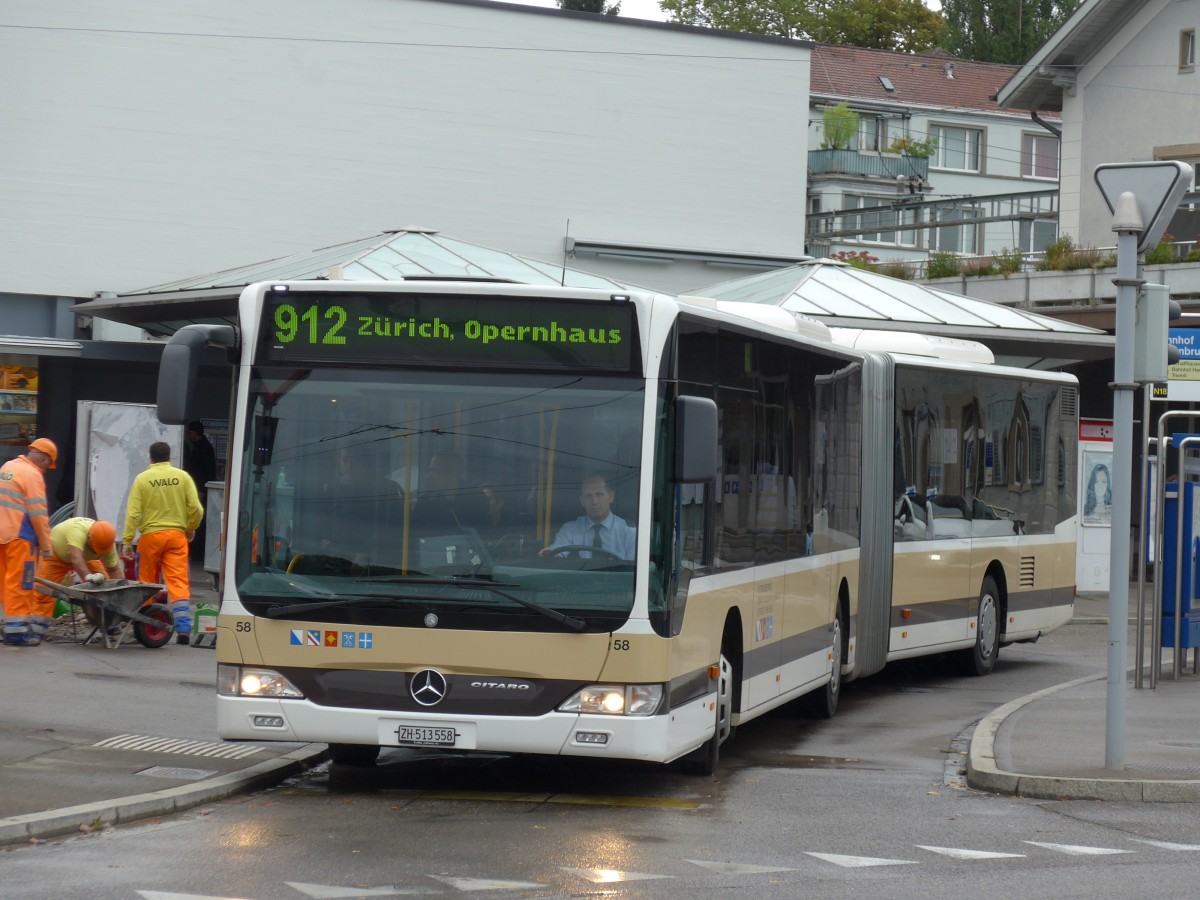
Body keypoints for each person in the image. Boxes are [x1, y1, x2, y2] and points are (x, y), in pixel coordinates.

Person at [122, 442, 204, 645]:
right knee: (178, 582)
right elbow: (196, 508)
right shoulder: (182, 477)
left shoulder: (142, 479)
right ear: (170, 457)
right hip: (176, 536)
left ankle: (147, 625)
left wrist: (126, 541)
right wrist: (190, 528)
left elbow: (133, 514)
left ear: (150, 458)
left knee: (147, 582)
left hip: (150, 537)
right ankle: (183, 628)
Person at [0, 438, 57, 646]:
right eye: (47, 465)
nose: (46, 470)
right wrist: (46, 546)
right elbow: (38, 515)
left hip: (2, 535)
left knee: (4, 584)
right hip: (20, 538)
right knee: (20, 584)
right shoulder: (32, 475)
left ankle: (5, 626)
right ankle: (17, 633)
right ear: (43, 459)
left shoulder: (8, 467)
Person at [539, 472, 636, 560]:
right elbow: (558, 549)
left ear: (611, 497)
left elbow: (632, 572)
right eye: (588, 496)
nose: (594, 501)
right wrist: (551, 554)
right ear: (582, 501)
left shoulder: (629, 532)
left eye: (599, 495)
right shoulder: (570, 530)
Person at [411, 452, 489, 533]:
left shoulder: (476, 499)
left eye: (435, 471)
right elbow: (416, 536)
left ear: (452, 474)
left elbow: (484, 535)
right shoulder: (425, 501)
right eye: (429, 471)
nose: (428, 477)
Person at [37, 518, 123, 588]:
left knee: (103, 587)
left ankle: (96, 608)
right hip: (55, 556)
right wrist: (89, 577)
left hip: (86, 559)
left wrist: (120, 591)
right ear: (89, 538)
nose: (96, 552)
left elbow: (114, 570)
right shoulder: (77, 530)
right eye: (96, 549)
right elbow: (76, 559)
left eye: (100, 551)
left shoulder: (108, 544)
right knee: (43, 592)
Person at [183, 421, 217, 562]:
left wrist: (201, 490)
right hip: (197, 488)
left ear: (193, 433)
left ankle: (196, 550)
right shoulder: (200, 447)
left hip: (199, 490)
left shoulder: (203, 449)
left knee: (198, 520)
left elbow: (206, 471)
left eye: (189, 433)